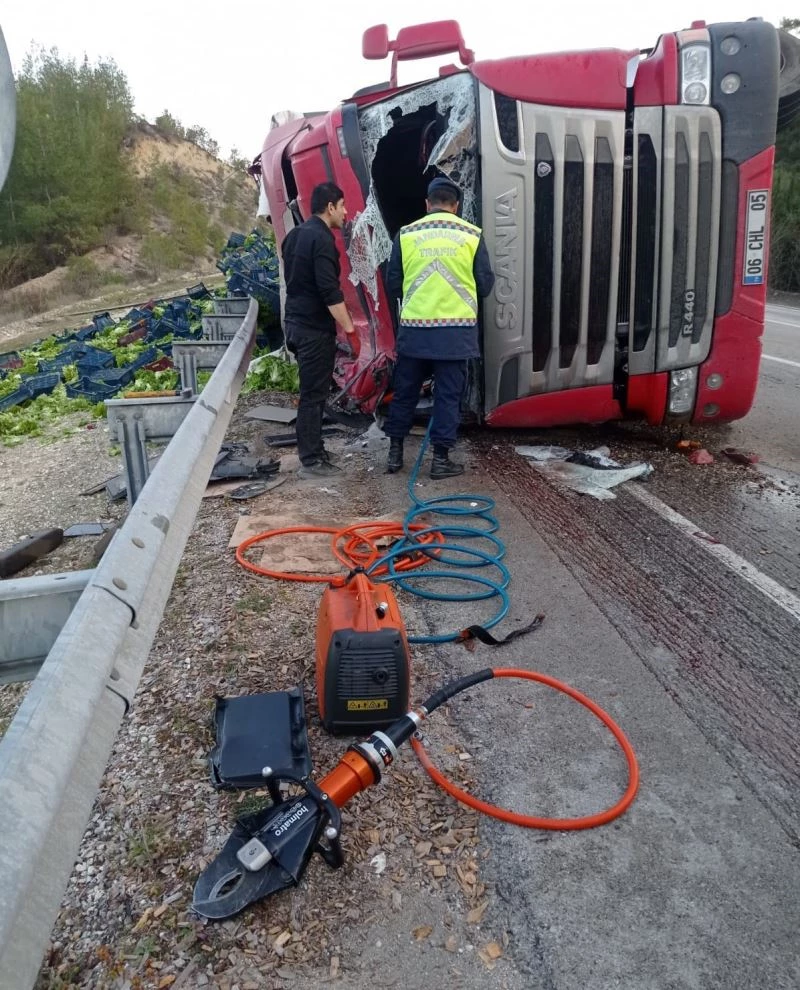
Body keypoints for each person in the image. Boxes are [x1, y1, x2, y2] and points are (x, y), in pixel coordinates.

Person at [383, 176, 495, 479]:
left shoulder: (406, 235)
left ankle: (394, 454)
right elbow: (485, 285)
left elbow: (393, 284)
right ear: (456, 207)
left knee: (405, 392)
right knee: (447, 396)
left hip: (415, 332)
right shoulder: (471, 235)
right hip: (455, 336)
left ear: (427, 205)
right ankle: (440, 460)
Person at [281, 181, 356, 479]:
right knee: (313, 395)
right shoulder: (322, 240)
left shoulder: (294, 236)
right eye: (343, 206)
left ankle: (315, 448)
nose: (346, 212)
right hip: (313, 330)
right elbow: (330, 292)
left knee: (313, 392)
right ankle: (311, 460)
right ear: (330, 207)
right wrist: (350, 331)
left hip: (296, 326)